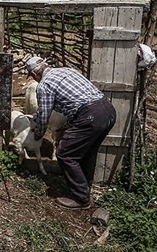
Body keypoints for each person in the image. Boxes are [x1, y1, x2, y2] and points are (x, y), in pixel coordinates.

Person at [24, 56, 116, 209]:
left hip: (91, 116)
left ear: (34, 74)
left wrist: (38, 134)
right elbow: (77, 103)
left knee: (65, 153)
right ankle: (84, 188)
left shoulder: (44, 85)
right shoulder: (66, 70)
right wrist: (67, 127)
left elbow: (43, 116)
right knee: (88, 152)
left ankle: (81, 199)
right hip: (107, 110)